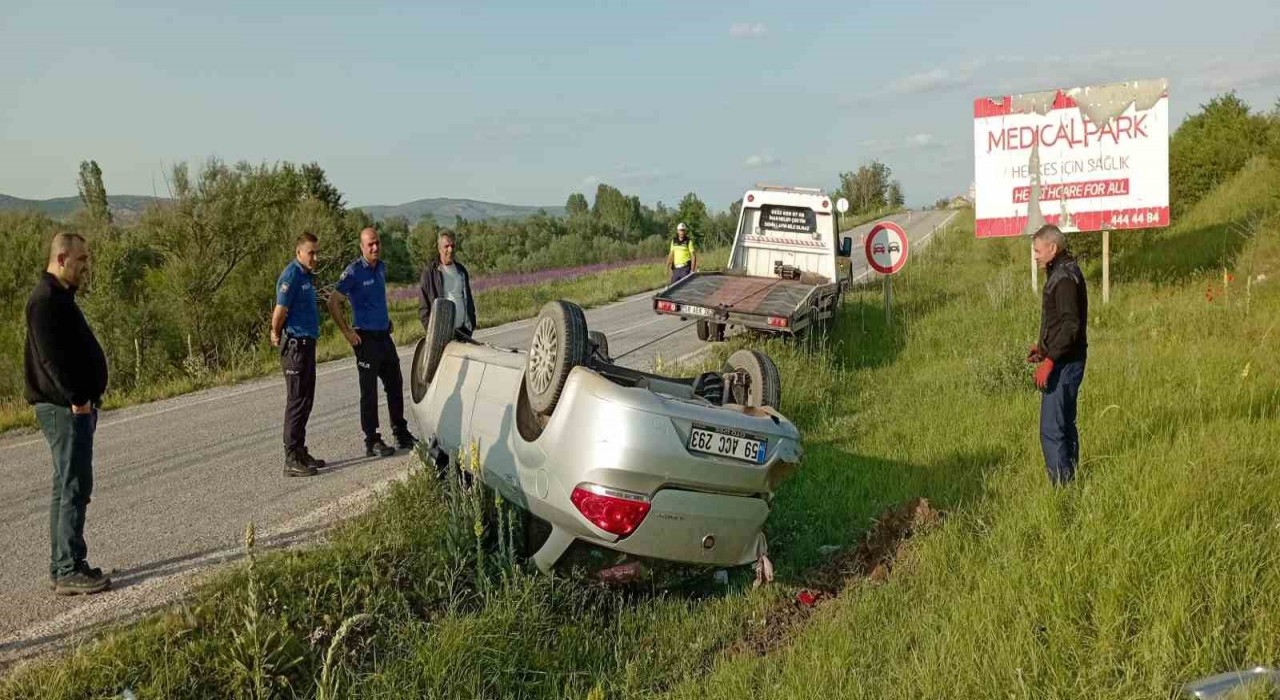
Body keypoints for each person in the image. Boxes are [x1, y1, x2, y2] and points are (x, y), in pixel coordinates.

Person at [25, 232, 111, 595]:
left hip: (72, 406)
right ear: (61, 259)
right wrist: (78, 399)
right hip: (64, 408)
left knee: (68, 484)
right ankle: (66, 568)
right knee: (72, 484)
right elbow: (51, 359)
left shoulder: (59, 298)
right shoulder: (44, 301)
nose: (85, 266)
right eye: (81, 260)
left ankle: (68, 562)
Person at [328, 227, 418, 458]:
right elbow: (333, 302)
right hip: (365, 339)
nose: (375, 247)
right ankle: (372, 439)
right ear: (361, 247)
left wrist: (385, 321)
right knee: (369, 392)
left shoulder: (381, 268)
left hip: (383, 337)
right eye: (370, 244)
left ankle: (400, 432)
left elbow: (376, 300)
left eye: (377, 243)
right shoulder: (353, 272)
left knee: (395, 385)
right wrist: (347, 332)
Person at [1026, 224, 1088, 486]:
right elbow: (1062, 323)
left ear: (1052, 248)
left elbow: (1070, 325)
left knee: (1052, 429)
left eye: (1038, 251)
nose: (1036, 256)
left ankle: (1062, 489)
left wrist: (1050, 361)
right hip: (1067, 359)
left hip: (1064, 364)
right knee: (1065, 424)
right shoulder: (1065, 270)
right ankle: (1071, 480)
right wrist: (1042, 349)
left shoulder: (1062, 278)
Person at [271, 232, 327, 477]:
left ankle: (301, 451)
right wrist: (275, 333)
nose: (315, 257)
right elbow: (279, 311)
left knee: (306, 400)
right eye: (310, 253)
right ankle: (291, 458)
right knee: (296, 401)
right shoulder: (291, 276)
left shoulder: (306, 276)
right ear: (299, 253)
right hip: (295, 347)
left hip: (307, 344)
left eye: (316, 252)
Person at [418, 229, 477, 336]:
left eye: (453, 246)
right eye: (446, 246)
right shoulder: (430, 273)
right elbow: (423, 310)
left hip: (464, 332)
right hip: (441, 334)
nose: (450, 250)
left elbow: (468, 300)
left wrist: (472, 323)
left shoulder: (461, 271)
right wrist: (433, 333)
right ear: (439, 248)